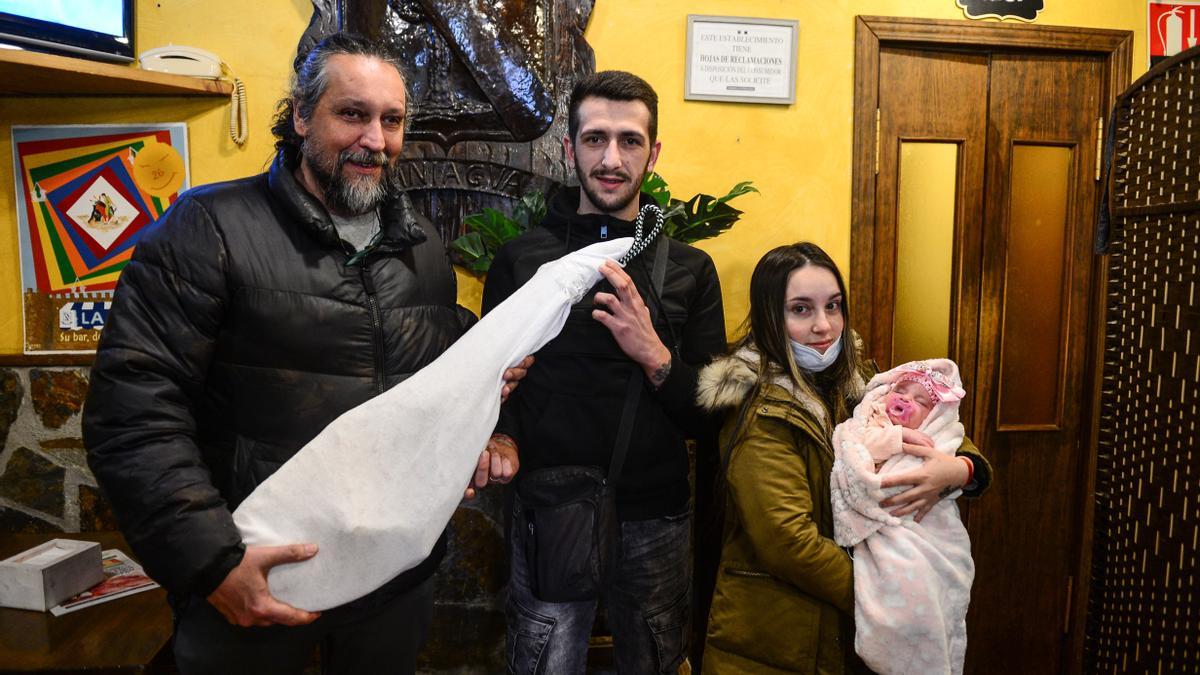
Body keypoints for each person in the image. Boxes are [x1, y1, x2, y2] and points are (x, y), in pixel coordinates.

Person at [82, 32, 528, 675]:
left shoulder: (422, 244)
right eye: (353, 114)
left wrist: (494, 429)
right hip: (257, 575)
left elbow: (447, 376)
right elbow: (133, 413)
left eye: (392, 120)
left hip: (392, 580)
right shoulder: (208, 228)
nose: (375, 139)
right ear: (300, 115)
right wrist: (211, 564)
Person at [481, 70, 727, 673]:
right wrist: (502, 433)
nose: (611, 159)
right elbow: (493, 383)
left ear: (654, 151)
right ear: (569, 147)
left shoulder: (690, 269)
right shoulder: (523, 259)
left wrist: (656, 356)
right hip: (549, 507)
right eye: (594, 139)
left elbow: (711, 412)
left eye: (630, 140)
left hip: (656, 515)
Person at [695, 242, 990, 674]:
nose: (824, 325)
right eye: (801, 309)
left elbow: (937, 424)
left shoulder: (861, 383)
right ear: (769, 318)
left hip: (836, 630)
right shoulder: (761, 410)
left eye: (833, 306)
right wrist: (895, 595)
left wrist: (961, 469)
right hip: (781, 633)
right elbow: (788, 543)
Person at [830, 359, 975, 675]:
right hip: (878, 540)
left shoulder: (935, 433)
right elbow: (853, 444)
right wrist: (894, 439)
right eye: (900, 391)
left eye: (921, 400)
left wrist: (965, 468)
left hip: (929, 534)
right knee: (909, 596)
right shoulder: (872, 422)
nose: (906, 400)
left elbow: (960, 449)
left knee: (932, 594)